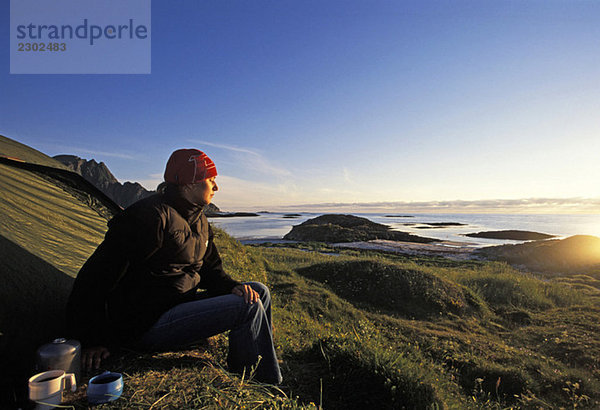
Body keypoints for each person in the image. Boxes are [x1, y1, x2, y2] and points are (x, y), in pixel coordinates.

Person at [66, 148, 282, 384]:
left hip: (180, 305)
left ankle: (262, 357)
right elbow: (95, 278)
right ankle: (262, 383)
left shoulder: (198, 219)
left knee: (258, 291)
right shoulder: (149, 217)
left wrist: (232, 286)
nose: (216, 187)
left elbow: (211, 268)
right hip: (145, 323)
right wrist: (92, 340)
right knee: (246, 306)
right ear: (189, 183)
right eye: (211, 180)